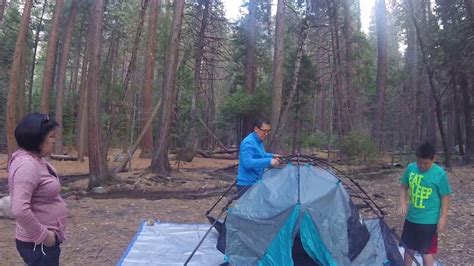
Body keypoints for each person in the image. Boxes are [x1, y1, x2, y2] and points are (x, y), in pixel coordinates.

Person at [8, 113, 67, 266]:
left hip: (43, 243)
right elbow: (20, 209)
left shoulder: (36, 159)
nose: (54, 140)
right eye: (51, 136)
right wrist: (44, 236)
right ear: (37, 139)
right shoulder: (27, 165)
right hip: (38, 244)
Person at [398, 142, 452, 266]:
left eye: (426, 163)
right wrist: (403, 203)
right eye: (419, 162)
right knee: (408, 248)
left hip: (429, 220)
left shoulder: (439, 174)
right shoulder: (411, 168)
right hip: (411, 217)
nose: (422, 166)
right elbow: (403, 187)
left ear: (433, 159)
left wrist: (443, 217)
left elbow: (445, 196)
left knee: (426, 252)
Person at [236, 118, 281, 196]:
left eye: (268, 131)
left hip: (256, 182)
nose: (266, 134)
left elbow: (261, 154)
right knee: (248, 208)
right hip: (246, 184)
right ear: (256, 129)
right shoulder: (248, 142)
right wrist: (269, 161)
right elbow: (248, 163)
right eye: (264, 131)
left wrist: (272, 156)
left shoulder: (258, 141)